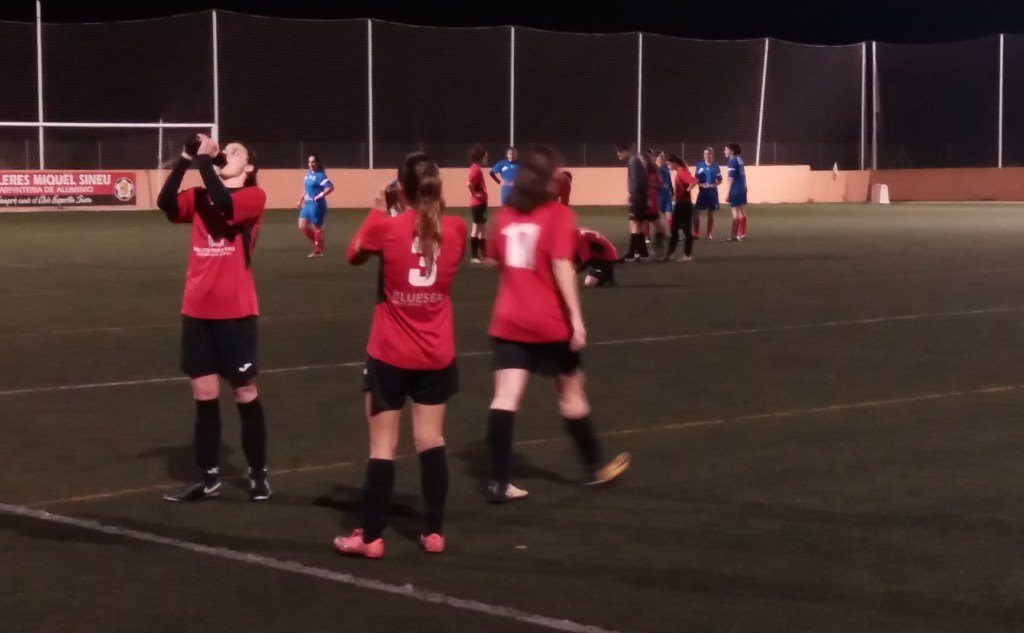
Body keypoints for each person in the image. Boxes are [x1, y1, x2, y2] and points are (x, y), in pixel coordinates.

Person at [333, 152, 467, 559]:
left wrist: (379, 209)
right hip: (436, 353)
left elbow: (354, 253)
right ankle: (434, 533)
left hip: (390, 353)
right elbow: (431, 231)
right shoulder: (457, 229)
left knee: (382, 447)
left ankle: (371, 537)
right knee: (431, 441)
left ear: (401, 188)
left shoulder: (387, 228)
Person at [483, 146, 631, 503]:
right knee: (571, 395)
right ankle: (596, 467)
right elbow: (563, 265)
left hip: (509, 320)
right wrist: (576, 319)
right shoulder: (558, 215)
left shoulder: (504, 217)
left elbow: (493, 261)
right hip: (549, 322)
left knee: (504, 398)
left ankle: (498, 481)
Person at [156, 133, 270, 502]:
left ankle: (258, 474)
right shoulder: (200, 194)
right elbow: (165, 202)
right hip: (197, 311)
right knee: (204, 395)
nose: (227, 153)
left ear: (248, 167)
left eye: (236, 152)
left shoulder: (253, 196)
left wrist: (206, 160)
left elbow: (225, 204)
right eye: (226, 149)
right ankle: (207, 478)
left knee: (244, 392)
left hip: (236, 312)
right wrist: (186, 158)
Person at [615, 143, 649, 261]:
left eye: (619, 153)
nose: (618, 155)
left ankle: (632, 254)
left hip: (637, 197)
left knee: (635, 225)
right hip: (640, 196)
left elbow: (637, 181)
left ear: (625, 151)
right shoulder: (636, 160)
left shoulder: (633, 161)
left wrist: (632, 197)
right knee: (639, 225)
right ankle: (642, 253)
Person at [296, 154, 334, 258]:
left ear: (317, 163)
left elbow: (330, 187)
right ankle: (319, 243)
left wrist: (319, 195)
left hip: (317, 205)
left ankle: (318, 251)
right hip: (307, 204)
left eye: (313, 162)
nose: (311, 164)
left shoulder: (320, 175)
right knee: (302, 226)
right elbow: (306, 188)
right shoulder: (308, 174)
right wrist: (300, 199)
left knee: (317, 227)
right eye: (309, 162)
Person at [665, 154, 698, 261]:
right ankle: (669, 254)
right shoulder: (680, 171)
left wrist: (686, 191)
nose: (668, 166)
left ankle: (687, 255)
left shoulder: (681, 172)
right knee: (674, 229)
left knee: (686, 230)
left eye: (669, 164)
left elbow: (694, 181)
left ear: (674, 163)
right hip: (680, 205)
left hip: (684, 206)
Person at [693, 147, 722, 240]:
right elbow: (696, 179)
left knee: (710, 214)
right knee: (696, 212)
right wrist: (701, 184)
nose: (707, 156)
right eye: (705, 154)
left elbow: (719, 180)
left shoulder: (716, 166)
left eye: (709, 154)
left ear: (712, 155)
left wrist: (713, 185)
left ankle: (709, 233)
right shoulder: (699, 165)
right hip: (702, 193)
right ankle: (696, 233)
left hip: (712, 193)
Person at [467, 144, 489, 263]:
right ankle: (474, 256)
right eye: (485, 157)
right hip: (477, 204)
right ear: (480, 157)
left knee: (482, 229)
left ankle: (483, 255)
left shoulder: (477, 169)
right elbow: (469, 183)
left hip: (481, 203)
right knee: (476, 229)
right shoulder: (475, 169)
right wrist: (475, 195)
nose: (486, 159)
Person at [723, 142, 748, 242]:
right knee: (741, 211)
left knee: (735, 212)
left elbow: (731, 178)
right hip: (742, 188)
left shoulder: (732, 161)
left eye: (726, 149)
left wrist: (727, 193)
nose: (724, 151)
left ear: (732, 151)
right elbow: (743, 175)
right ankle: (742, 234)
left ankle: (734, 235)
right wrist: (745, 186)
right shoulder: (740, 159)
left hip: (735, 189)